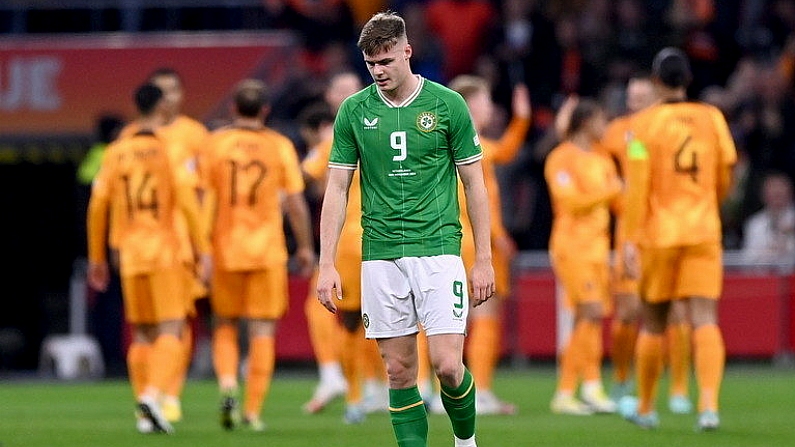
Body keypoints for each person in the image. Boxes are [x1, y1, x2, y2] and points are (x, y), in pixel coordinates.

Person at [316, 12, 495, 447]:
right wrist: (326, 264)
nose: (378, 72)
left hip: (438, 250)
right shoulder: (355, 111)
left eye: (386, 61)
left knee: (448, 366)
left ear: (406, 52)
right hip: (379, 256)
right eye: (371, 64)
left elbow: (474, 183)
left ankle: (465, 441)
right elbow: (337, 189)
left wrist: (484, 259)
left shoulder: (447, 104)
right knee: (398, 371)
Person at [87, 83, 212, 434]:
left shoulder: (116, 152)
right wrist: (202, 250)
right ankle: (155, 396)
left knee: (141, 333)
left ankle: (144, 408)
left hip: (129, 254)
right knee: (172, 327)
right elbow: (188, 204)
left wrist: (97, 256)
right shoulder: (169, 151)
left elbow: (98, 206)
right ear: (161, 107)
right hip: (166, 252)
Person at [622, 47, 736, 431]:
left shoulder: (644, 124)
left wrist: (629, 241)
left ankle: (646, 406)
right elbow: (726, 171)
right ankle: (707, 406)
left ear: (656, 82)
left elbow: (637, 188)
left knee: (654, 323)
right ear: (688, 80)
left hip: (660, 235)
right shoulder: (713, 118)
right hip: (703, 231)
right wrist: (710, 203)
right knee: (705, 319)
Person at [201, 79, 315, 431]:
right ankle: (251, 412)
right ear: (265, 110)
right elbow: (295, 202)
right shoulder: (279, 146)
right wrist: (306, 245)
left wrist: (202, 248)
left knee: (224, 325)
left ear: (233, 108)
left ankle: (227, 384)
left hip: (226, 250)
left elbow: (205, 200)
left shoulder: (215, 145)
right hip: (267, 251)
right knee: (263, 330)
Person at [599, 76, 695, 414]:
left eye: (642, 96)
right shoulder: (616, 131)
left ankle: (680, 388)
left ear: (656, 96)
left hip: (670, 227)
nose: (635, 101)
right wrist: (614, 188)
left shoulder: (666, 127)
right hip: (631, 228)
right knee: (627, 312)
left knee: (679, 309)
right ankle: (623, 378)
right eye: (631, 96)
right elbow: (594, 160)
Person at [448, 75, 531, 415]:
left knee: (443, 319)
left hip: (452, 239)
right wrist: (496, 234)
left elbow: (507, 150)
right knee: (485, 315)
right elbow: (475, 198)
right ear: (468, 106)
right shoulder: (472, 146)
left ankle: (433, 387)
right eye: (484, 102)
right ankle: (479, 390)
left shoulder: (450, 143)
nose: (490, 109)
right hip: (476, 241)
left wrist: (522, 119)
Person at [545, 98, 621, 416]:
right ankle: (564, 392)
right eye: (601, 120)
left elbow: (619, 202)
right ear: (586, 122)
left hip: (598, 248)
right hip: (571, 247)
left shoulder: (603, 159)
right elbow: (571, 202)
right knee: (589, 312)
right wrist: (612, 190)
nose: (605, 127)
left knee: (591, 317)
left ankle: (590, 386)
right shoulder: (560, 158)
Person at [741, 171, 795, 271]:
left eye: (780, 192)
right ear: (763, 195)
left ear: (790, 193)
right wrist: (770, 251)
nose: (777, 194)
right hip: (764, 279)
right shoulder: (755, 224)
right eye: (773, 193)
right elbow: (748, 260)